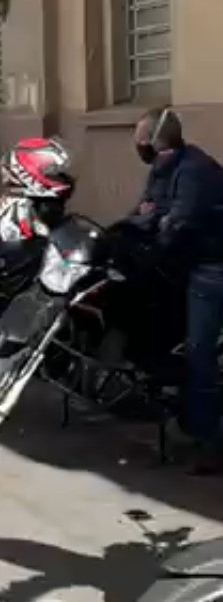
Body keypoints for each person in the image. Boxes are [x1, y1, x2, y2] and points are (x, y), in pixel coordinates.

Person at [132, 107, 223, 474]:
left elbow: (177, 222)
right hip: (186, 262)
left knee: (198, 353)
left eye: (140, 139)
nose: (137, 146)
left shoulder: (195, 171)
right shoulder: (163, 168)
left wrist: (155, 236)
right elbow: (144, 210)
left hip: (212, 267)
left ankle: (210, 444)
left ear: (156, 141)